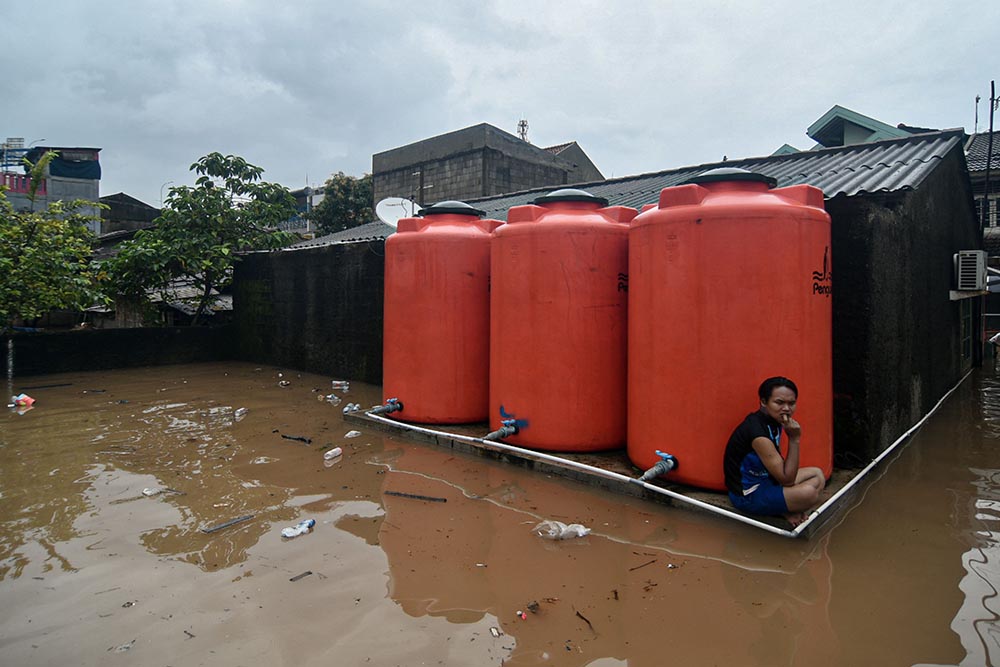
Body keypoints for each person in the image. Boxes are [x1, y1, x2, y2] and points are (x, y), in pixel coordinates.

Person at [723, 377, 826, 526]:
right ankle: (784, 509)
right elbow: (787, 480)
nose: (786, 409)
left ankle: (786, 507)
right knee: (808, 494)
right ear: (764, 402)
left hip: (768, 480)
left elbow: (782, 471)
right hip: (748, 495)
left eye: (791, 403)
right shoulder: (758, 433)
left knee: (818, 474)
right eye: (779, 402)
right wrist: (794, 439)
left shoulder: (774, 421)